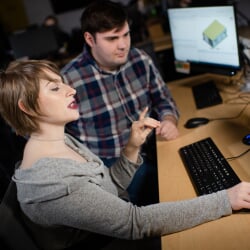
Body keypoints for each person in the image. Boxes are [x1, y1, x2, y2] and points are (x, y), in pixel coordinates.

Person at [1, 59, 250, 249]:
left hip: (119, 228)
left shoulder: (57, 140)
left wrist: (132, 147)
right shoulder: (52, 181)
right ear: (26, 107)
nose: (71, 90)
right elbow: (134, 223)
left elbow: (109, 189)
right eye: (55, 88)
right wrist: (225, 199)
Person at [61, 0, 179, 205]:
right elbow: (48, 136)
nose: (123, 45)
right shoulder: (68, 81)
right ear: (90, 39)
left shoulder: (140, 59)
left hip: (154, 148)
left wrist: (169, 120)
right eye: (112, 38)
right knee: (174, 192)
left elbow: (163, 100)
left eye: (126, 34)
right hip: (112, 165)